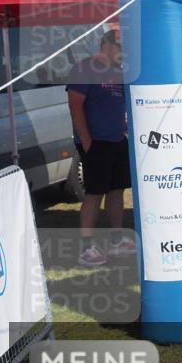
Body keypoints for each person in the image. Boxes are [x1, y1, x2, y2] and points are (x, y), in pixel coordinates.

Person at [66, 29, 136, 267]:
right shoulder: (84, 68)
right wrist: (87, 142)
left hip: (117, 140)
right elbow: (75, 106)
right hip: (96, 142)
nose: (124, 53)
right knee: (94, 193)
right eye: (121, 47)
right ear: (107, 45)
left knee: (117, 190)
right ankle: (86, 248)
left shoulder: (119, 72)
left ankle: (116, 239)